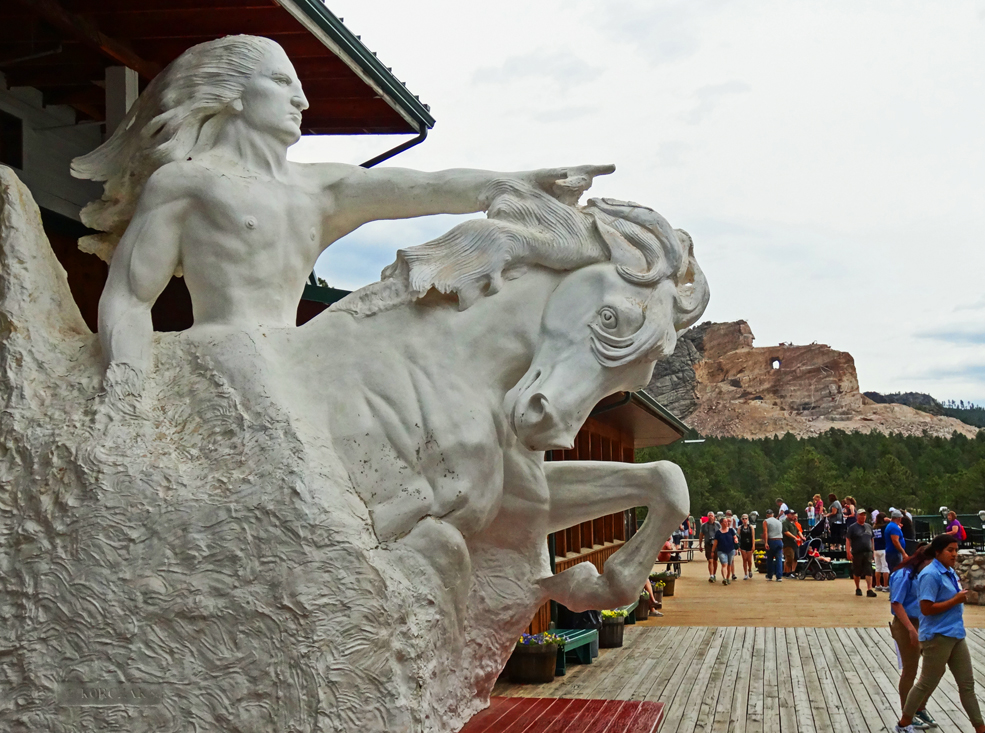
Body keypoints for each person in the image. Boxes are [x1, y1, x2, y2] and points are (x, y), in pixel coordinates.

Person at [72, 35, 613, 392]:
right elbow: (129, 298)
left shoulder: (320, 188)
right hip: (223, 360)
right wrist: (127, 383)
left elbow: (428, 186)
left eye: (300, 88)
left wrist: (521, 182)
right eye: (281, 83)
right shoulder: (187, 183)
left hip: (295, 357)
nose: (302, 101)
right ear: (232, 94)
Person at [895, 534, 985, 733]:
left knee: (967, 684)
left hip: (956, 634)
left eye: (956, 550)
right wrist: (954, 600)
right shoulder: (930, 574)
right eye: (950, 550)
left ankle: (980, 728)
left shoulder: (950, 572)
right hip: (937, 636)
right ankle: (903, 723)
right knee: (926, 682)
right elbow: (926, 609)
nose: (954, 554)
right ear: (937, 552)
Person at [889, 544, 936, 730]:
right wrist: (910, 629)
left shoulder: (925, 575)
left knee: (934, 668)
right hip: (906, 624)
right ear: (924, 560)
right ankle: (907, 712)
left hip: (925, 623)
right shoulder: (904, 574)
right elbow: (896, 603)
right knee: (910, 670)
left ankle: (919, 706)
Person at [846, 509, 876, 597]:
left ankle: (869, 589)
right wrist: (848, 552)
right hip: (857, 552)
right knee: (857, 571)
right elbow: (848, 540)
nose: (863, 517)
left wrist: (873, 551)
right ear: (857, 516)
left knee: (869, 570)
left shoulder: (869, 527)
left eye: (864, 515)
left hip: (867, 552)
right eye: (861, 515)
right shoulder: (852, 527)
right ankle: (858, 587)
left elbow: (872, 539)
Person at [713, 517, 738, 585]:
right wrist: (713, 551)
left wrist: (736, 540)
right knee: (724, 564)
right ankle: (724, 578)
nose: (726, 523)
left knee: (729, 565)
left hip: (731, 550)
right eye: (725, 522)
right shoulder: (718, 533)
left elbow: (735, 537)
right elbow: (715, 542)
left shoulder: (731, 530)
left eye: (727, 522)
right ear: (721, 523)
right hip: (721, 550)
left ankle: (727, 578)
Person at [763, 509, 784, 581]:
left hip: (771, 540)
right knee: (779, 559)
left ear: (767, 515)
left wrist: (766, 542)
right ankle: (779, 576)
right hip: (779, 540)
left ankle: (770, 575)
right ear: (773, 514)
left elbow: (765, 532)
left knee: (770, 559)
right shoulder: (779, 522)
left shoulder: (766, 521)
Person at [699, 511, 720, 583]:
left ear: (714, 517)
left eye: (711, 516)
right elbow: (701, 535)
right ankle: (711, 575)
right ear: (707, 517)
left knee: (715, 560)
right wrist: (700, 545)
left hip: (716, 544)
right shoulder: (704, 526)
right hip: (708, 544)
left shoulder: (718, 525)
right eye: (709, 516)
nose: (710, 517)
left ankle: (714, 574)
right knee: (710, 560)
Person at [781, 509, 802, 577]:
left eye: (793, 514)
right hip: (788, 543)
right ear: (787, 515)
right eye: (791, 514)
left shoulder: (792, 523)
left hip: (794, 543)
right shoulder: (784, 522)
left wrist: (802, 537)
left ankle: (792, 572)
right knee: (789, 558)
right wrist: (795, 537)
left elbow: (798, 531)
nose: (793, 515)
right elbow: (786, 532)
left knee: (795, 557)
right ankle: (787, 572)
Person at [873, 513, 891, 592]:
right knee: (885, 567)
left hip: (876, 549)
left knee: (878, 567)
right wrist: (889, 520)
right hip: (883, 548)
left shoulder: (874, 527)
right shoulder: (885, 527)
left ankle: (878, 584)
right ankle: (885, 585)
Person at [738, 513, 756, 579]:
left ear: (748, 519)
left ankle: (750, 569)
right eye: (743, 519)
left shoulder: (751, 527)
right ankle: (745, 574)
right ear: (741, 520)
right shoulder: (740, 528)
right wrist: (738, 546)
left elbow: (753, 537)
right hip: (743, 545)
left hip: (749, 544)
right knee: (744, 559)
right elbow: (738, 537)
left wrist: (753, 545)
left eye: (745, 518)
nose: (744, 520)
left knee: (749, 559)